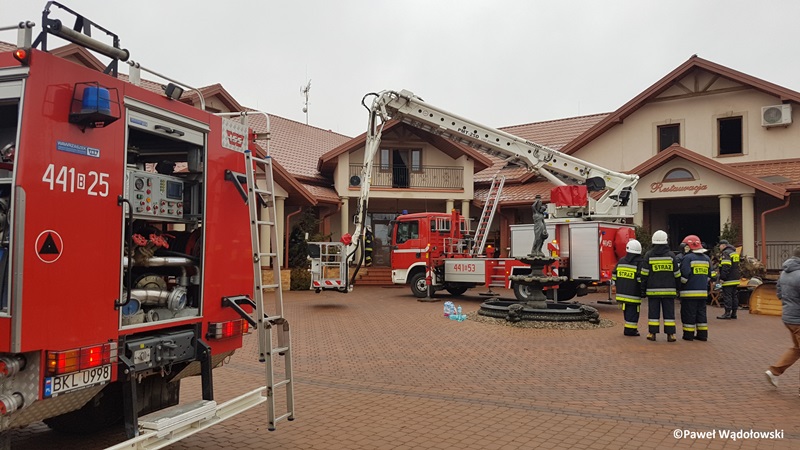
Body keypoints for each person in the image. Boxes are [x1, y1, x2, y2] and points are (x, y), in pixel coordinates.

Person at [765, 247, 800, 393]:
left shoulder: (785, 273)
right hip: (798, 317)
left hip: (789, 317)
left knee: (797, 349)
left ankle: (774, 371)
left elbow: (779, 293)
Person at [641, 230, 681, 342]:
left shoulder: (648, 255)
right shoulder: (671, 255)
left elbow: (644, 274)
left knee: (653, 313)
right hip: (669, 291)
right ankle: (671, 334)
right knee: (669, 313)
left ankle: (652, 333)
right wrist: (678, 288)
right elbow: (677, 274)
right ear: (666, 242)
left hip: (653, 291)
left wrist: (642, 290)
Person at [678, 235, 715, 341]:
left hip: (689, 293)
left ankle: (688, 335)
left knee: (689, 314)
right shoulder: (707, 258)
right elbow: (711, 275)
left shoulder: (687, 258)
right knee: (701, 314)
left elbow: (684, 276)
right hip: (703, 293)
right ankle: (702, 335)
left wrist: (679, 287)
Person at [612, 239, 644, 336]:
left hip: (621, 293)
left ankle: (629, 329)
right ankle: (630, 331)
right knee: (633, 312)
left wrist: (618, 285)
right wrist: (642, 291)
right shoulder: (640, 263)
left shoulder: (621, 261)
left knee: (627, 311)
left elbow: (614, 275)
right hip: (634, 294)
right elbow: (640, 279)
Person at [716, 239, 741, 320]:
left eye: (720, 245)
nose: (719, 247)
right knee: (734, 296)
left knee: (728, 296)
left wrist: (722, 278)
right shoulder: (734, 253)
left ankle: (727, 313)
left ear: (723, 245)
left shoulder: (726, 253)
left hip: (728, 279)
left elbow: (725, 266)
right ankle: (734, 313)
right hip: (735, 278)